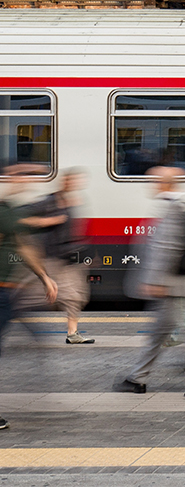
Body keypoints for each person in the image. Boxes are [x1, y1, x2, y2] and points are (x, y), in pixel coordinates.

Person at [115, 166, 185, 397]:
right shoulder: (179, 208)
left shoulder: (171, 209)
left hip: (170, 284)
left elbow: (167, 248)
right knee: (159, 334)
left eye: (156, 180)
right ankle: (137, 378)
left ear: (167, 184)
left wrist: (156, 280)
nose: (153, 184)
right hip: (176, 283)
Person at [0, 166, 59, 430]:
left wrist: (44, 277)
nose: (28, 181)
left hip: (6, 290)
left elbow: (23, 247)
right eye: (23, 176)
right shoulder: (4, 210)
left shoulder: (10, 211)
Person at [15, 168, 91, 344]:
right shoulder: (49, 202)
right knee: (32, 297)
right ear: (64, 182)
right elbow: (18, 217)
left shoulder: (72, 203)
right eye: (71, 181)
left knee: (75, 296)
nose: (74, 185)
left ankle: (72, 334)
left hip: (68, 259)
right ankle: (8, 313)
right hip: (50, 258)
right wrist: (45, 222)